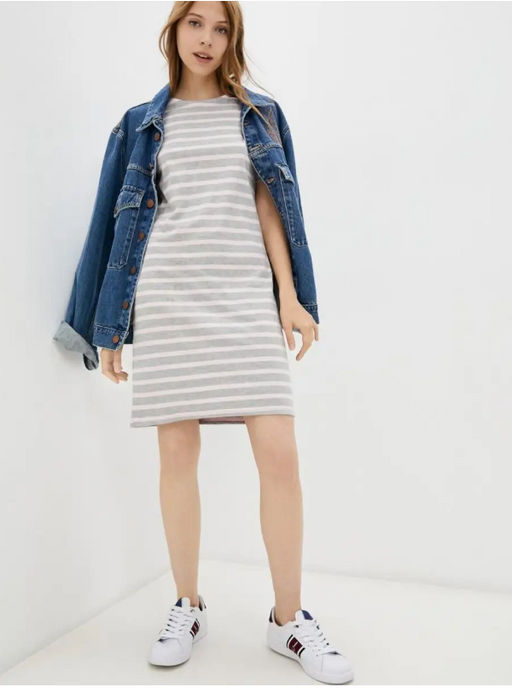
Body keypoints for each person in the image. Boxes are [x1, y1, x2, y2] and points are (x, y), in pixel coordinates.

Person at [58, 1, 354, 683]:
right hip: (169, 300)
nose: (207, 39)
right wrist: (109, 328)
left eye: (221, 29)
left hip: (243, 297)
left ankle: (288, 620)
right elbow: (113, 225)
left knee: (279, 454)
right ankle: (187, 604)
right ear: (174, 30)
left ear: (233, 39)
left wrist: (289, 297)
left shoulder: (258, 115)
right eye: (196, 23)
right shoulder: (140, 123)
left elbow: (272, 208)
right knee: (176, 456)